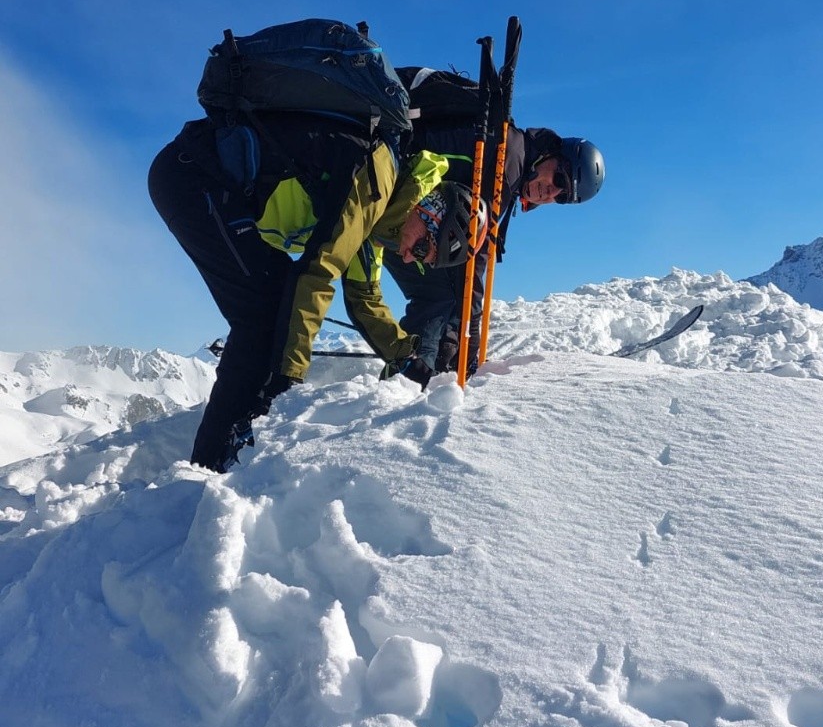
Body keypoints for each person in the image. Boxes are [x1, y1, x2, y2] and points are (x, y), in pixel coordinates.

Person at [149, 110, 483, 472]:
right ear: (429, 210)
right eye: (421, 249)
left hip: (214, 190)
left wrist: (409, 357)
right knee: (263, 314)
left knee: (275, 305)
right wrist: (287, 380)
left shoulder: (384, 217)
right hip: (194, 178)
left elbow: (364, 298)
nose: (407, 257)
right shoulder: (377, 182)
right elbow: (317, 274)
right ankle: (209, 468)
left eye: (422, 261)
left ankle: (229, 449)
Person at [382, 104, 605, 378]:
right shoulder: (507, 160)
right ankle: (409, 381)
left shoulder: (510, 163)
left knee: (444, 296)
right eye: (559, 177)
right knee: (438, 296)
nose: (551, 191)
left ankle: (414, 376)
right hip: (387, 195)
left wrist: (460, 334)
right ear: (551, 153)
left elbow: (472, 253)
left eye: (561, 196)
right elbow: (473, 260)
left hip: (397, 198)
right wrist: (468, 338)